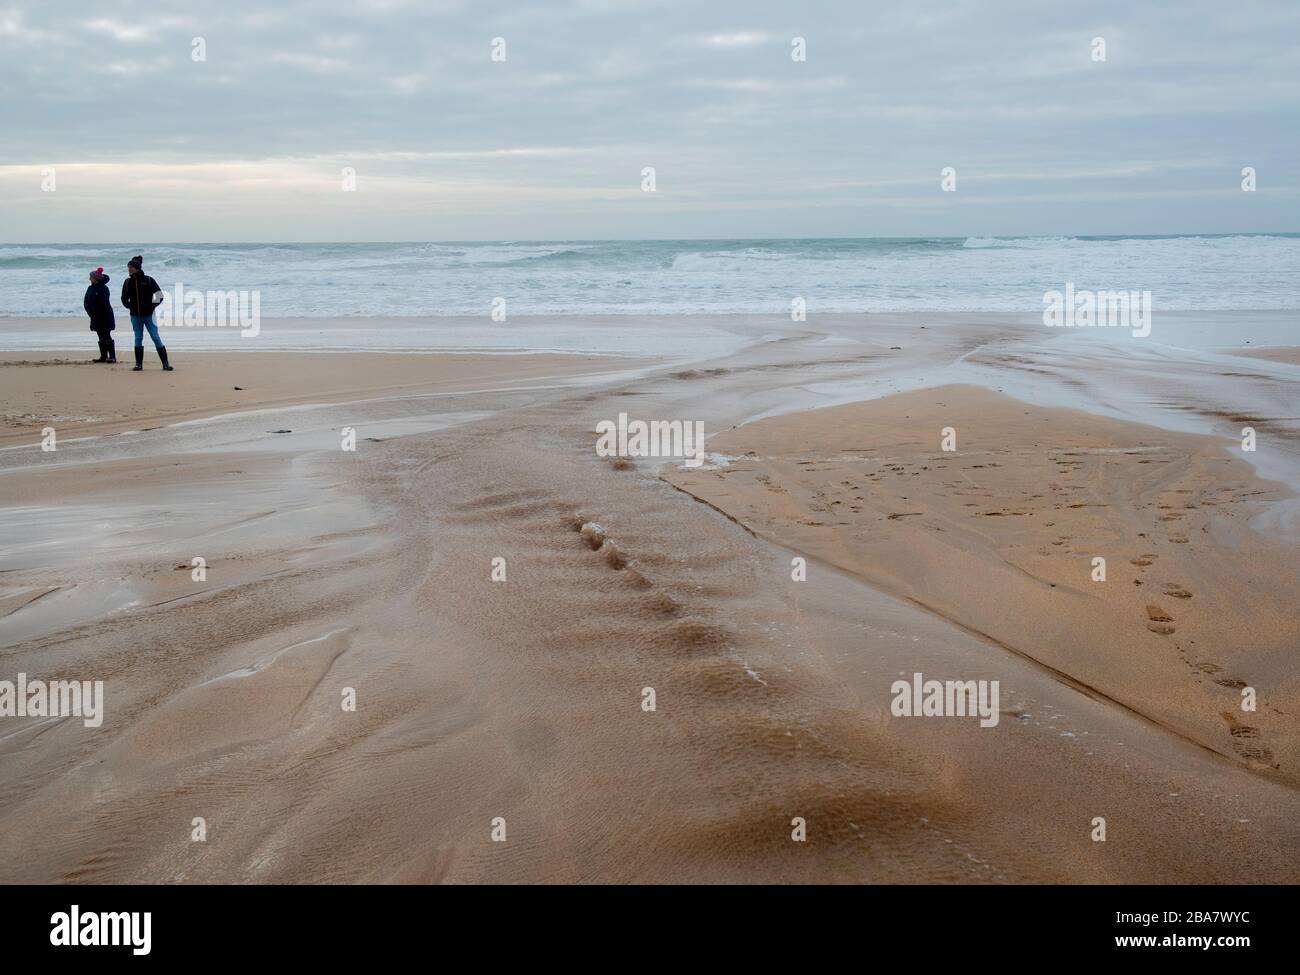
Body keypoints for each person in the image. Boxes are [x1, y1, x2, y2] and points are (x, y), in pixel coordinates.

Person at [120, 255, 172, 371]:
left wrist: (151, 307)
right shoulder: (127, 282)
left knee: (155, 337)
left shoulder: (148, 280)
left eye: (131, 267)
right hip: (135, 316)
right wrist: (129, 306)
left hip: (149, 315)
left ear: (137, 268)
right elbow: (123, 298)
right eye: (128, 267)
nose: (129, 269)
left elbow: (159, 295)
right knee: (138, 338)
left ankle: (165, 364)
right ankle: (139, 364)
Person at [83, 267, 116, 363]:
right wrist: (89, 311)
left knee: (106, 335)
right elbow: (86, 301)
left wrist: (96, 312)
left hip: (105, 316)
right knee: (100, 335)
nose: (89, 279)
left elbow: (104, 303)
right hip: (94, 316)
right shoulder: (90, 288)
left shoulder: (104, 288)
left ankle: (112, 357)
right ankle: (103, 356)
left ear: (96, 279)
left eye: (91, 277)